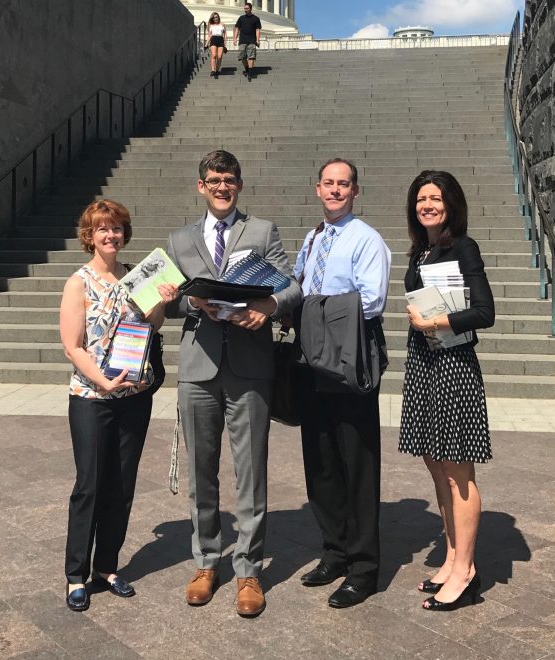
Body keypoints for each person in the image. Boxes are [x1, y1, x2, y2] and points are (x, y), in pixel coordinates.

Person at [165, 149, 302, 617]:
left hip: (249, 365)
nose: (222, 187)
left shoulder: (262, 231)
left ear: (239, 185)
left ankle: (247, 569)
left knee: (250, 471)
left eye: (230, 179)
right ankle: (205, 561)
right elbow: (168, 301)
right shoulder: (180, 238)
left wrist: (268, 307)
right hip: (199, 365)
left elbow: (292, 285)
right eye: (214, 180)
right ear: (200, 186)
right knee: (201, 471)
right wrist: (191, 303)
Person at [60, 199, 179, 612]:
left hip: (134, 394)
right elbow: (72, 346)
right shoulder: (79, 282)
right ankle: (76, 574)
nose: (110, 235)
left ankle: (106, 567)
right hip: (93, 397)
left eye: (116, 228)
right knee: (90, 484)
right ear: (89, 236)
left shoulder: (136, 275)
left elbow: (151, 325)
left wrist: (162, 300)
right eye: (102, 229)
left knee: (122, 484)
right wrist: (101, 380)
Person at [294, 158, 391, 608]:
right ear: (317, 189)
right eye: (329, 184)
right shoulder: (312, 238)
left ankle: (364, 567)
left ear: (356, 191)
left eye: (344, 184)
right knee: (322, 462)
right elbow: (297, 286)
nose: (335, 190)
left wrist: (313, 310)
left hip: (349, 359)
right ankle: (333, 551)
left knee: (358, 465)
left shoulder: (366, 239)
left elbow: (371, 301)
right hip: (312, 361)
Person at [399, 170, 495, 612]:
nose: (427, 205)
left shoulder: (463, 247)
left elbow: (484, 312)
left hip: (453, 364)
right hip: (425, 363)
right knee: (436, 464)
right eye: (421, 199)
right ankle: (453, 556)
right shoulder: (422, 250)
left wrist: (435, 322)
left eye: (435, 198)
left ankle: (466, 571)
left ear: (450, 203)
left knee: (458, 470)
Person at [233, 2, 261, 81]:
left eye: (247, 9)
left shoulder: (256, 18)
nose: (245, 10)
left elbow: (258, 30)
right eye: (245, 9)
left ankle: (250, 73)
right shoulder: (241, 18)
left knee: (251, 56)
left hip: (252, 40)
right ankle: (247, 68)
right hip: (242, 40)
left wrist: (258, 39)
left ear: (250, 9)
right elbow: (237, 28)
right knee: (242, 57)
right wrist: (235, 38)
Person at [207, 11, 226, 78]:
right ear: (212, 18)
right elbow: (209, 35)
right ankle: (213, 70)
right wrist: (207, 44)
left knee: (219, 56)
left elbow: (225, 33)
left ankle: (217, 70)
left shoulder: (222, 24)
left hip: (220, 40)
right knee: (214, 55)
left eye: (217, 17)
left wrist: (225, 41)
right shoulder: (210, 25)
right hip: (213, 40)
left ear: (218, 17)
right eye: (214, 17)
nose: (215, 18)